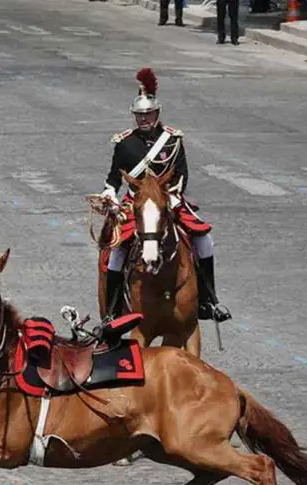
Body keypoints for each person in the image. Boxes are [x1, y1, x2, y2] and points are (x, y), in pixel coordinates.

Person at [98, 69, 231, 324]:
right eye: (139, 116)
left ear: (157, 114)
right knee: (116, 252)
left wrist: (171, 197)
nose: (143, 119)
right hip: (136, 202)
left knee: (204, 241)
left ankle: (209, 300)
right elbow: (114, 176)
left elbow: (181, 174)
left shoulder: (172, 139)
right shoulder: (124, 143)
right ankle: (113, 311)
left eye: (147, 114)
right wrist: (109, 192)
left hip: (167, 200)